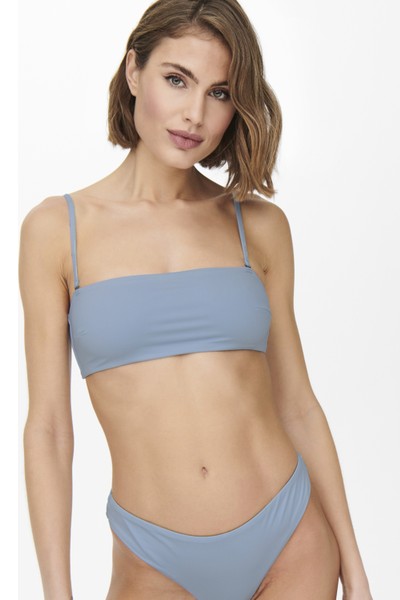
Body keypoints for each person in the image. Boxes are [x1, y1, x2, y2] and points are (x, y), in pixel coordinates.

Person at [19, 0, 373, 598]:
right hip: (153, 559)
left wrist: (356, 574)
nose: (195, 114)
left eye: (219, 92)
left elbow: (298, 405)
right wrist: (57, 593)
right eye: (176, 79)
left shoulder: (258, 226)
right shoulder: (57, 231)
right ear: (134, 71)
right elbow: (49, 429)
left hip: (289, 541)